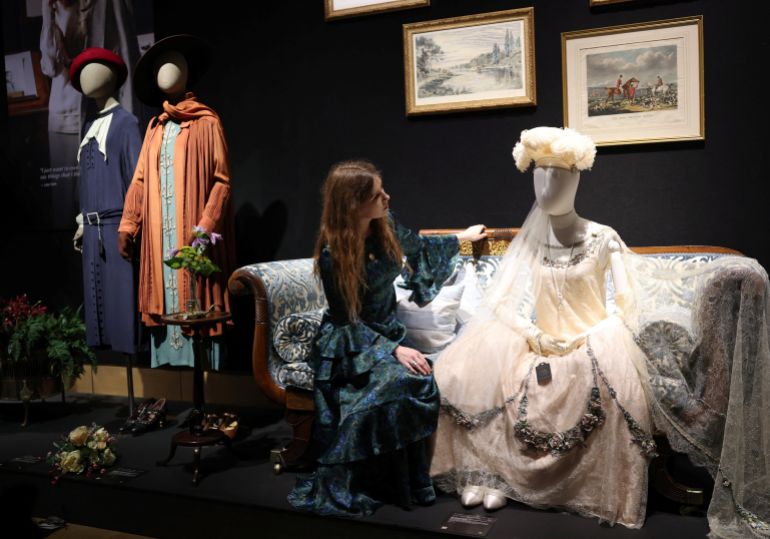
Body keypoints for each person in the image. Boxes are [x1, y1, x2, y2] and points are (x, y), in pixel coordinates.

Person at [430, 127, 656, 527]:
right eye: (539, 175)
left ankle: (533, 481)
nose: (547, 186)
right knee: (477, 368)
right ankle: (491, 472)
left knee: (600, 383)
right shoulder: (531, 241)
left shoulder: (603, 238)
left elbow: (626, 305)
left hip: (588, 343)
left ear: (576, 179)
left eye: (558, 176)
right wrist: (533, 334)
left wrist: (592, 338)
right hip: (540, 344)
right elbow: (498, 302)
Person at [288, 159, 487, 517]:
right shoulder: (335, 256)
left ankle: (401, 481)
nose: (387, 197)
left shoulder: (387, 225)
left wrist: (463, 238)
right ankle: (372, 481)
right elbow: (347, 322)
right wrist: (394, 350)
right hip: (350, 344)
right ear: (353, 203)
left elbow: (421, 248)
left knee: (414, 378)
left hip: (387, 335)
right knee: (391, 386)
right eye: (377, 194)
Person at [118, 34, 235, 369]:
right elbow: (139, 180)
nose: (167, 71)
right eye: (161, 66)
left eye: (175, 64)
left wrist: (204, 230)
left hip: (193, 236)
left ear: (187, 73)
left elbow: (222, 181)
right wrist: (129, 223)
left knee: (195, 293)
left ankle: (206, 393)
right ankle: (173, 385)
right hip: (159, 238)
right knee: (165, 295)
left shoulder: (207, 122)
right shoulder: (155, 127)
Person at [70, 47, 142, 355]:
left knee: (122, 312)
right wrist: (82, 224)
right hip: (92, 231)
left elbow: (138, 181)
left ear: (111, 77)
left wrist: (131, 225)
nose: (86, 76)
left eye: (93, 68)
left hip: (117, 231)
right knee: (100, 326)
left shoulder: (127, 123)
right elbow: (86, 183)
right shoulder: (88, 127)